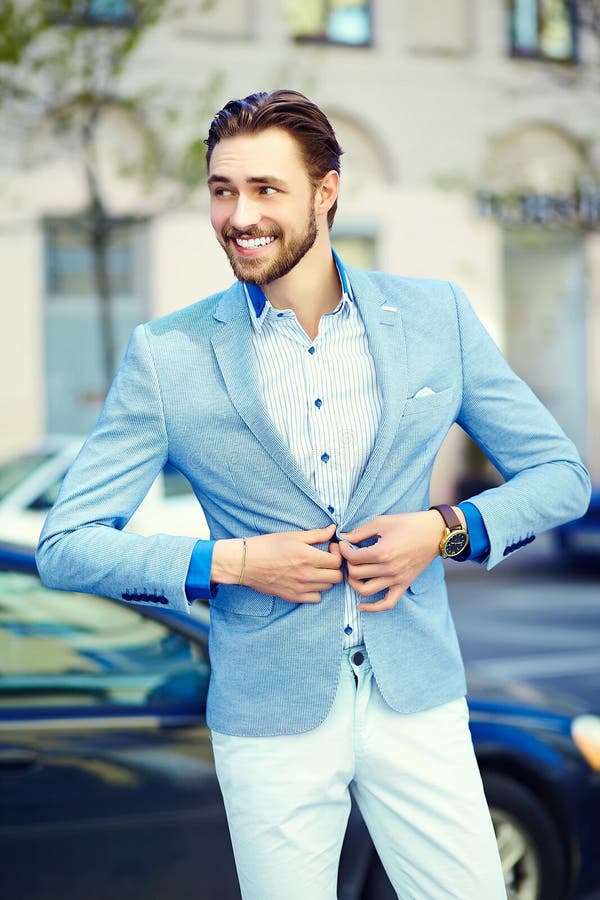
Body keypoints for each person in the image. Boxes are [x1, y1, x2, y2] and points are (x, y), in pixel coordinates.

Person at [37, 90, 591, 899]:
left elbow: (561, 476)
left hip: (418, 695)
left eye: (266, 189)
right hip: (269, 713)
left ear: (326, 192)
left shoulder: (437, 318)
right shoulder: (168, 356)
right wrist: (231, 561)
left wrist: (443, 530)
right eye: (222, 189)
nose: (238, 214)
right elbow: (65, 543)